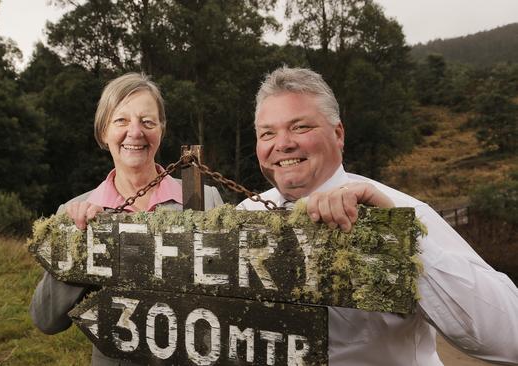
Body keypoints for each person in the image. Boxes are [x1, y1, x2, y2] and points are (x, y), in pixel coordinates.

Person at [238, 66, 518, 365]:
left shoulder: (399, 212)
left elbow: (510, 338)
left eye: (300, 127)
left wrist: (400, 240)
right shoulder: (245, 213)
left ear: (338, 134)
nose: (282, 144)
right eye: (268, 133)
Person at [29, 73, 223, 366]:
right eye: (121, 121)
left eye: (147, 121)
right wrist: (76, 245)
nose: (136, 132)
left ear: (161, 130)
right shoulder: (74, 211)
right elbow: (46, 321)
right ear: (103, 131)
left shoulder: (206, 200)